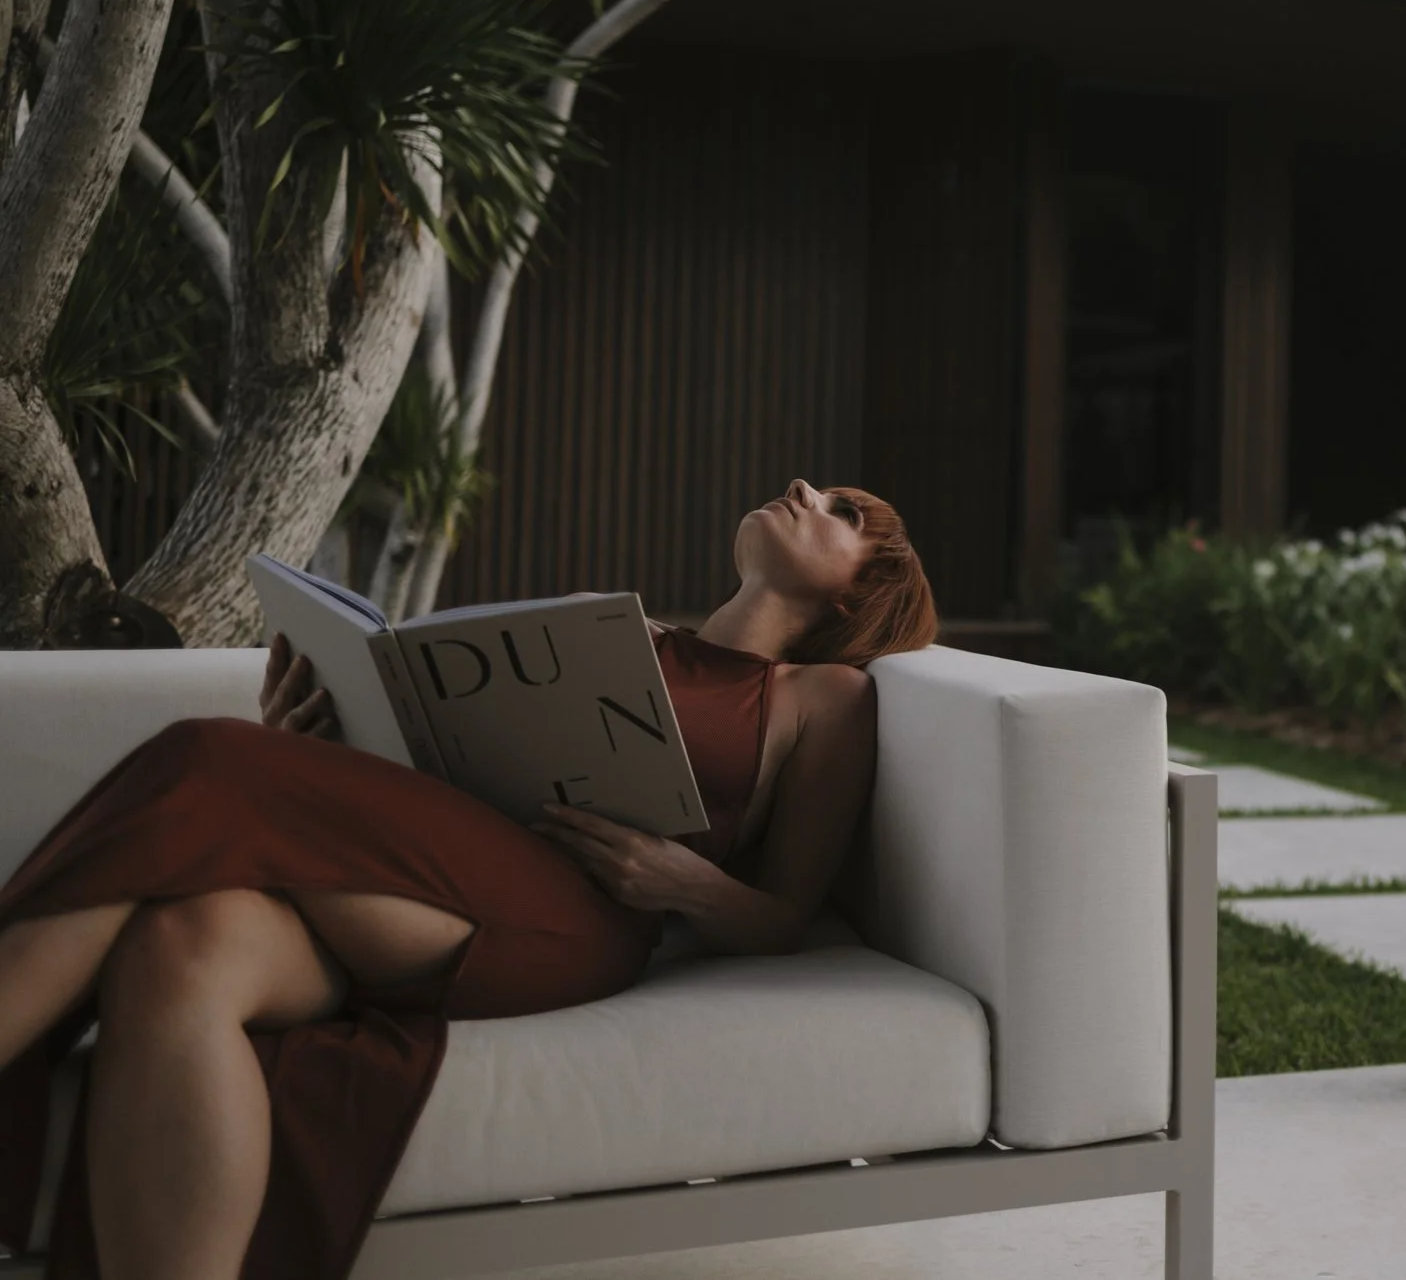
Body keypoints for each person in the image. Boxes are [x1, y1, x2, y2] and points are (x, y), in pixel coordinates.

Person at [0, 481, 937, 1280]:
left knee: (203, 754)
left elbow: (783, 917)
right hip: (431, 884)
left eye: (844, 510)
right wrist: (310, 757)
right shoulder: (618, 630)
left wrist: (681, 880)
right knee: (181, 944)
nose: (808, 491)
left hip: (575, 919)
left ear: (862, 593)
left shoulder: (827, 700)